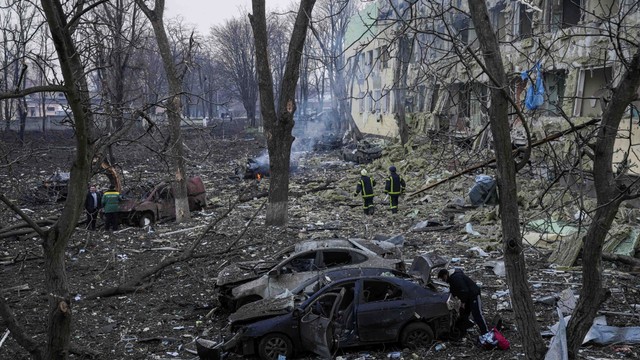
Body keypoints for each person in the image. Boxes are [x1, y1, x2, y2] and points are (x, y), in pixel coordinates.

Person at [438, 268, 488, 335]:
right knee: (463, 313)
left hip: (473, 294)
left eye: (443, 278)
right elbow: (454, 290)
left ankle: (485, 332)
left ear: (445, 275)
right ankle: (464, 329)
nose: (444, 280)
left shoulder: (455, 278)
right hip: (467, 297)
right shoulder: (452, 278)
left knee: (477, 314)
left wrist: (463, 302)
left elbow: (464, 290)